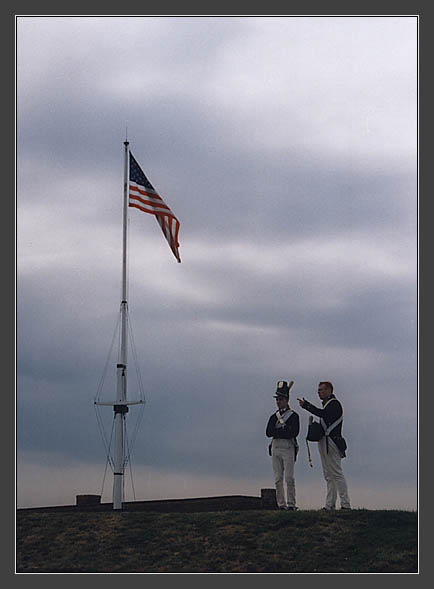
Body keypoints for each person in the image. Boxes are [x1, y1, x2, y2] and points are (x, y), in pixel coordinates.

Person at [298, 381, 351, 511]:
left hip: (332, 441)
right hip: (325, 441)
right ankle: (330, 504)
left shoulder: (334, 404)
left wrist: (307, 406)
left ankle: (345, 504)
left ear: (329, 390)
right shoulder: (329, 404)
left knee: (336, 473)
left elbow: (323, 414)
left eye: (321, 390)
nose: (319, 392)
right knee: (328, 475)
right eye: (319, 390)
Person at [266, 380, 300, 511]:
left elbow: (294, 432)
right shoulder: (273, 417)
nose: (278, 402)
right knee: (278, 478)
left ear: (286, 400)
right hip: (276, 447)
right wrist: (283, 431)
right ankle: (281, 504)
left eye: (281, 399)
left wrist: (279, 432)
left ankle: (291, 504)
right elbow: (268, 432)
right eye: (277, 399)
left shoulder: (293, 416)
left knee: (289, 477)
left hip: (287, 447)